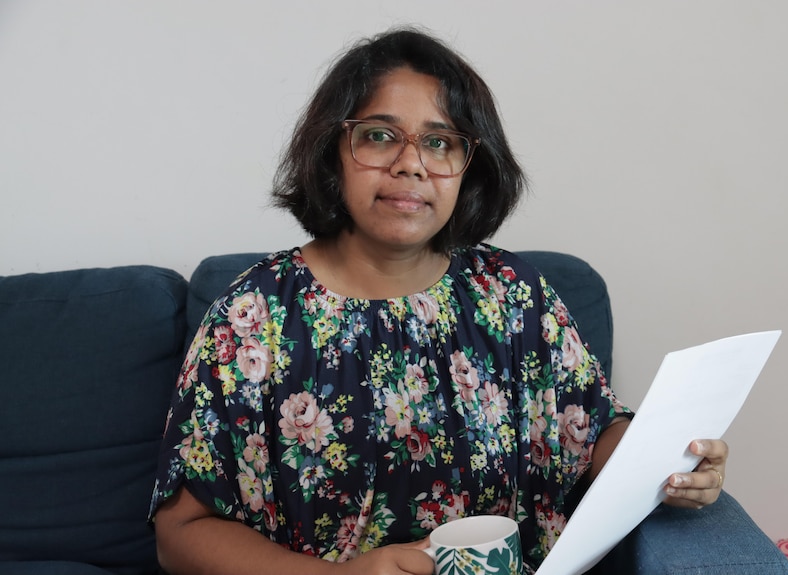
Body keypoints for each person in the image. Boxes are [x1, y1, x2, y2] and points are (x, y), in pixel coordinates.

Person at [149, 27, 728, 575]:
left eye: (439, 142)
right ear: (333, 151)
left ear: (466, 169)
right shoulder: (253, 314)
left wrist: (674, 463)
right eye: (378, 135)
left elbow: (594, 430)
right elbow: (181, 535)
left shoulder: (512, 293)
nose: (411, 163)